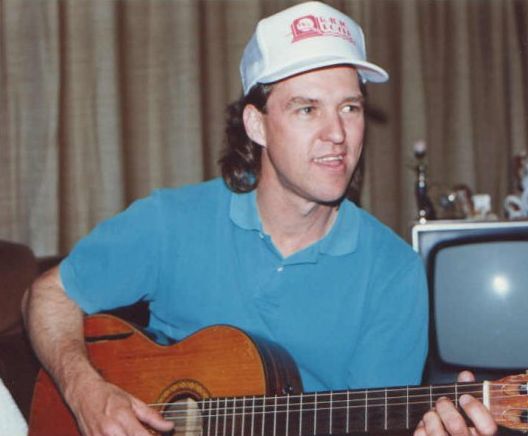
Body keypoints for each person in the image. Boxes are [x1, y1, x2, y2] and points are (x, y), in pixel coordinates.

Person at [23, 2, 497, 435]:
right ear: (256, 125)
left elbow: (376, 421)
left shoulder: (393, 271)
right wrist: (85, 390)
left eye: (350, 108)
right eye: (307, 108)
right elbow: (46, 295)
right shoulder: (171, 223)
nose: (337, 134)